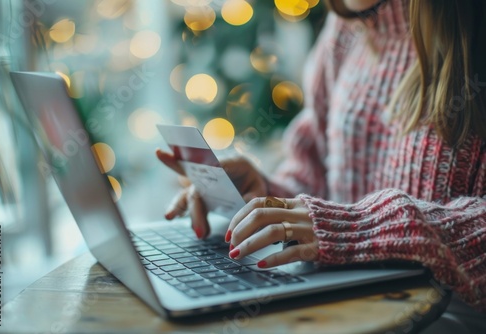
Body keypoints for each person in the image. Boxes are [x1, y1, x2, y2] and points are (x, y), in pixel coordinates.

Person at [156, 0, 486, 320]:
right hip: (348, 306)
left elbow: (345, 221)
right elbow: (319, 176)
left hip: (448, 317)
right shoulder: (345, 30)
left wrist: (357, 229)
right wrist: (269, 194)